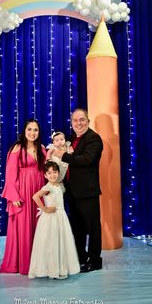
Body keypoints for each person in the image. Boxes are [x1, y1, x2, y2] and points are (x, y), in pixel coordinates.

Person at [53, 109, 103, 273]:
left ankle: (95, 261)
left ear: (88, 121)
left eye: (82, 120)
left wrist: (63, 156)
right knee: (78, 228)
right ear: (71, 122)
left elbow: (88, 160)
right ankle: (81, 257)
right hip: (73, 192)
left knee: (93, 228)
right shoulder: (71, 138)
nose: (78, 123)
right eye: (75, 120)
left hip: (88, 192)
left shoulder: (94, 138)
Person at [0, 119, 46, 275]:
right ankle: (24, 264)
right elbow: (10, 174)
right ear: (24, 131)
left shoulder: (42, 148)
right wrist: (13, 196)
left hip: (38, 192)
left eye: (35, 130)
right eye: (29, 130)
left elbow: (47, 171)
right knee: (24, 226)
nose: (32, 133)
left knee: (39, 226)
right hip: (23, 193)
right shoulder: (17, 148)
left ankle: (39, 262)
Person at [28, 161, 80, 279]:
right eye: (49, 173)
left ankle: (61, 268)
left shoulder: (59, 185)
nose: (52, 175)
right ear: (45, 175)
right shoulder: (48, 187)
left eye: (55, 172)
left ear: (58, 173)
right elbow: (35, 196)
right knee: (51, 242)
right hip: (51, 218)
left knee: (61, 241)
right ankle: (51, 270)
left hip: (61, 217)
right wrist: (45, 209)